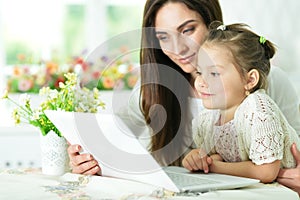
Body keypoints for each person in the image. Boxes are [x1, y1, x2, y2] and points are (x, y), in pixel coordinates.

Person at [68, 0, 300, 182]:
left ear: (211, 22)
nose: (177, 48)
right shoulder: (151, 90)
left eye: (187, 30)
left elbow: (292, 151)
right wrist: (88, 161)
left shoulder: (269, 84)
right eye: (163, 37)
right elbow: (116, 143)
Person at [182, 22, 300, 183]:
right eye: (199, 72)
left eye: (214, 73)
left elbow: (266, 172)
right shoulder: (208, 118)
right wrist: (200, 159)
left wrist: (213, 167)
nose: (201, 82)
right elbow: (222, 156)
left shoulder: (259, 111)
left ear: (250, 80)